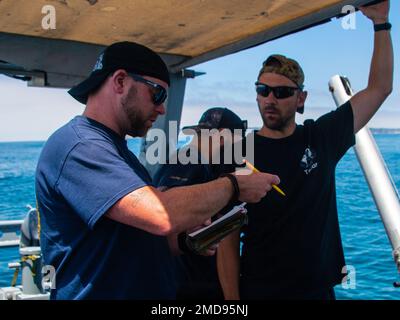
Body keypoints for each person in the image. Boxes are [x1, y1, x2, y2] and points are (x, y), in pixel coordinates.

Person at [35, 41, 280, 300]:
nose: (162, 108)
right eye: (158, 94)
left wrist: (186, 241)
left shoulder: (118, 152)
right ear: (120, 82)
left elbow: (136, 237)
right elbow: (160, 214)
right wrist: (235, 185)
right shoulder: (80, 146)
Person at [217, 1, 393, 300]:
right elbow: (227, 241)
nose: (270, 99)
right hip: (260, 291)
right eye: (263, 90)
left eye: (282, 92)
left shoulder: (321, 137)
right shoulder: (237, 152)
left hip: (317, 292)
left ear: (301, 99)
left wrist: (381, 24)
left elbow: (380, 88)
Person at [153, 107, 247, 300]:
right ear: (222, 137)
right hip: (188, 286)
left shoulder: (189, 161)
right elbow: (166, 211)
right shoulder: (189, 162)